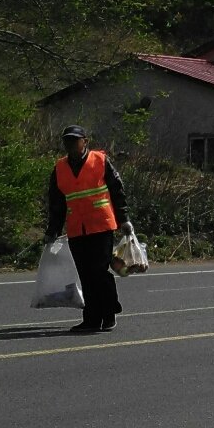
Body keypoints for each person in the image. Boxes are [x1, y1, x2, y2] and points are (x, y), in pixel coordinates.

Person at [45, 125, 131, 333]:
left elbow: (116, 191)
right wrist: (52, 230)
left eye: (75, 140)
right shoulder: (60, 168)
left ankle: (109, 312)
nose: (71, 144)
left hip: (101, 225)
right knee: (84, 275)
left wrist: (124, 219)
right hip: (77, 229)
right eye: (67, 141)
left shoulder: (100, 161)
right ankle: (91, 319)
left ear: (85, 141)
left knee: (99, 272)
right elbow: (57, 203)